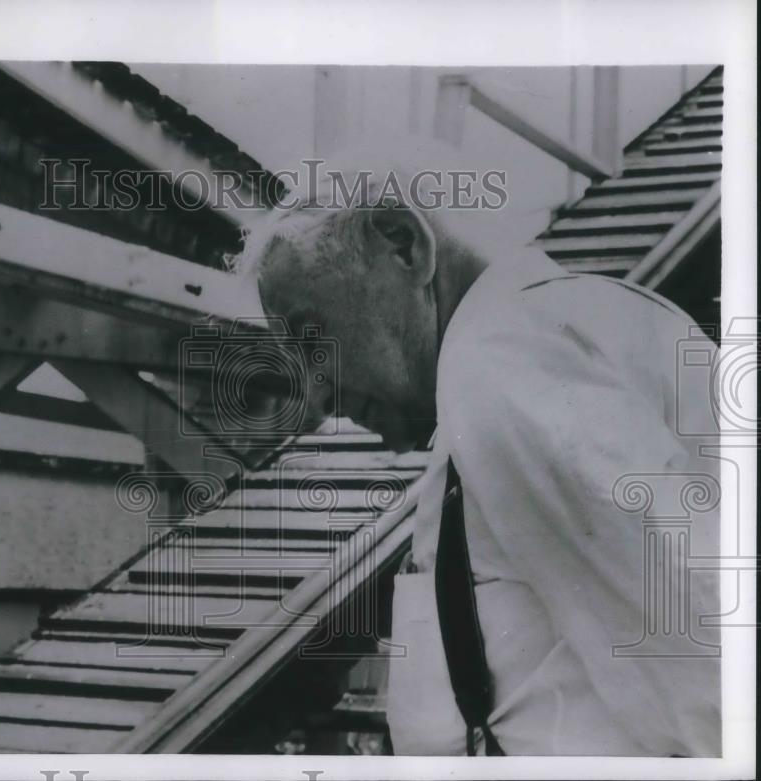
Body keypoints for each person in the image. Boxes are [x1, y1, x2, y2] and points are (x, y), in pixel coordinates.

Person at [232, 142, 721, 756]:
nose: (319, 395)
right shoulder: (563, 325)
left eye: (313, 336)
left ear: (404, 243)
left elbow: (707, 648)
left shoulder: (503, 363)